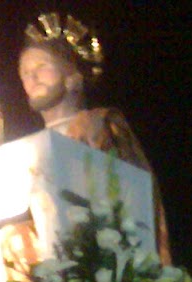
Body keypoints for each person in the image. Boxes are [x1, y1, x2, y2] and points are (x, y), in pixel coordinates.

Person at [15, 11, 170, 262]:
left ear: (73, 78)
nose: (31, 77)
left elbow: (131, 195)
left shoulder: (101, 124)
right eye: (24, 72)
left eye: (42, 66)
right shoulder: (24, 150)